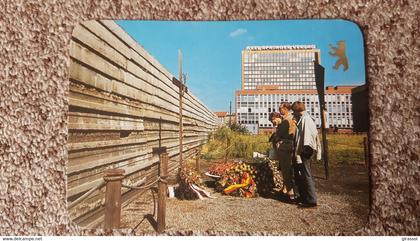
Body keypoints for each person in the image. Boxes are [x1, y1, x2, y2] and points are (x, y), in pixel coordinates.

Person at [291, 101, 322, 208]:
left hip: (306, 150)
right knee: (305, 175)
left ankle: (311, 200)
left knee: (307, 175)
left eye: (294, 111)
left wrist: (304, 150)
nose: (293, 113)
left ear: (297, 110)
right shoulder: (306, 118)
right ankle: (306, 197)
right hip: (307, 149)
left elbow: (307, 136)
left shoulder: (305, 119)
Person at [273, 102, 297, 201]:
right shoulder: (290, 119)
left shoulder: (287, 120)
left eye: (280, 108)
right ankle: (288, 191)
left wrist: (277, 126)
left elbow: (279, 133)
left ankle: (291, 195)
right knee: (287, 170)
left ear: (286, 109)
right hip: (289, 145)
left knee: (286, 170)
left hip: (285, 146)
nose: (279, 110)